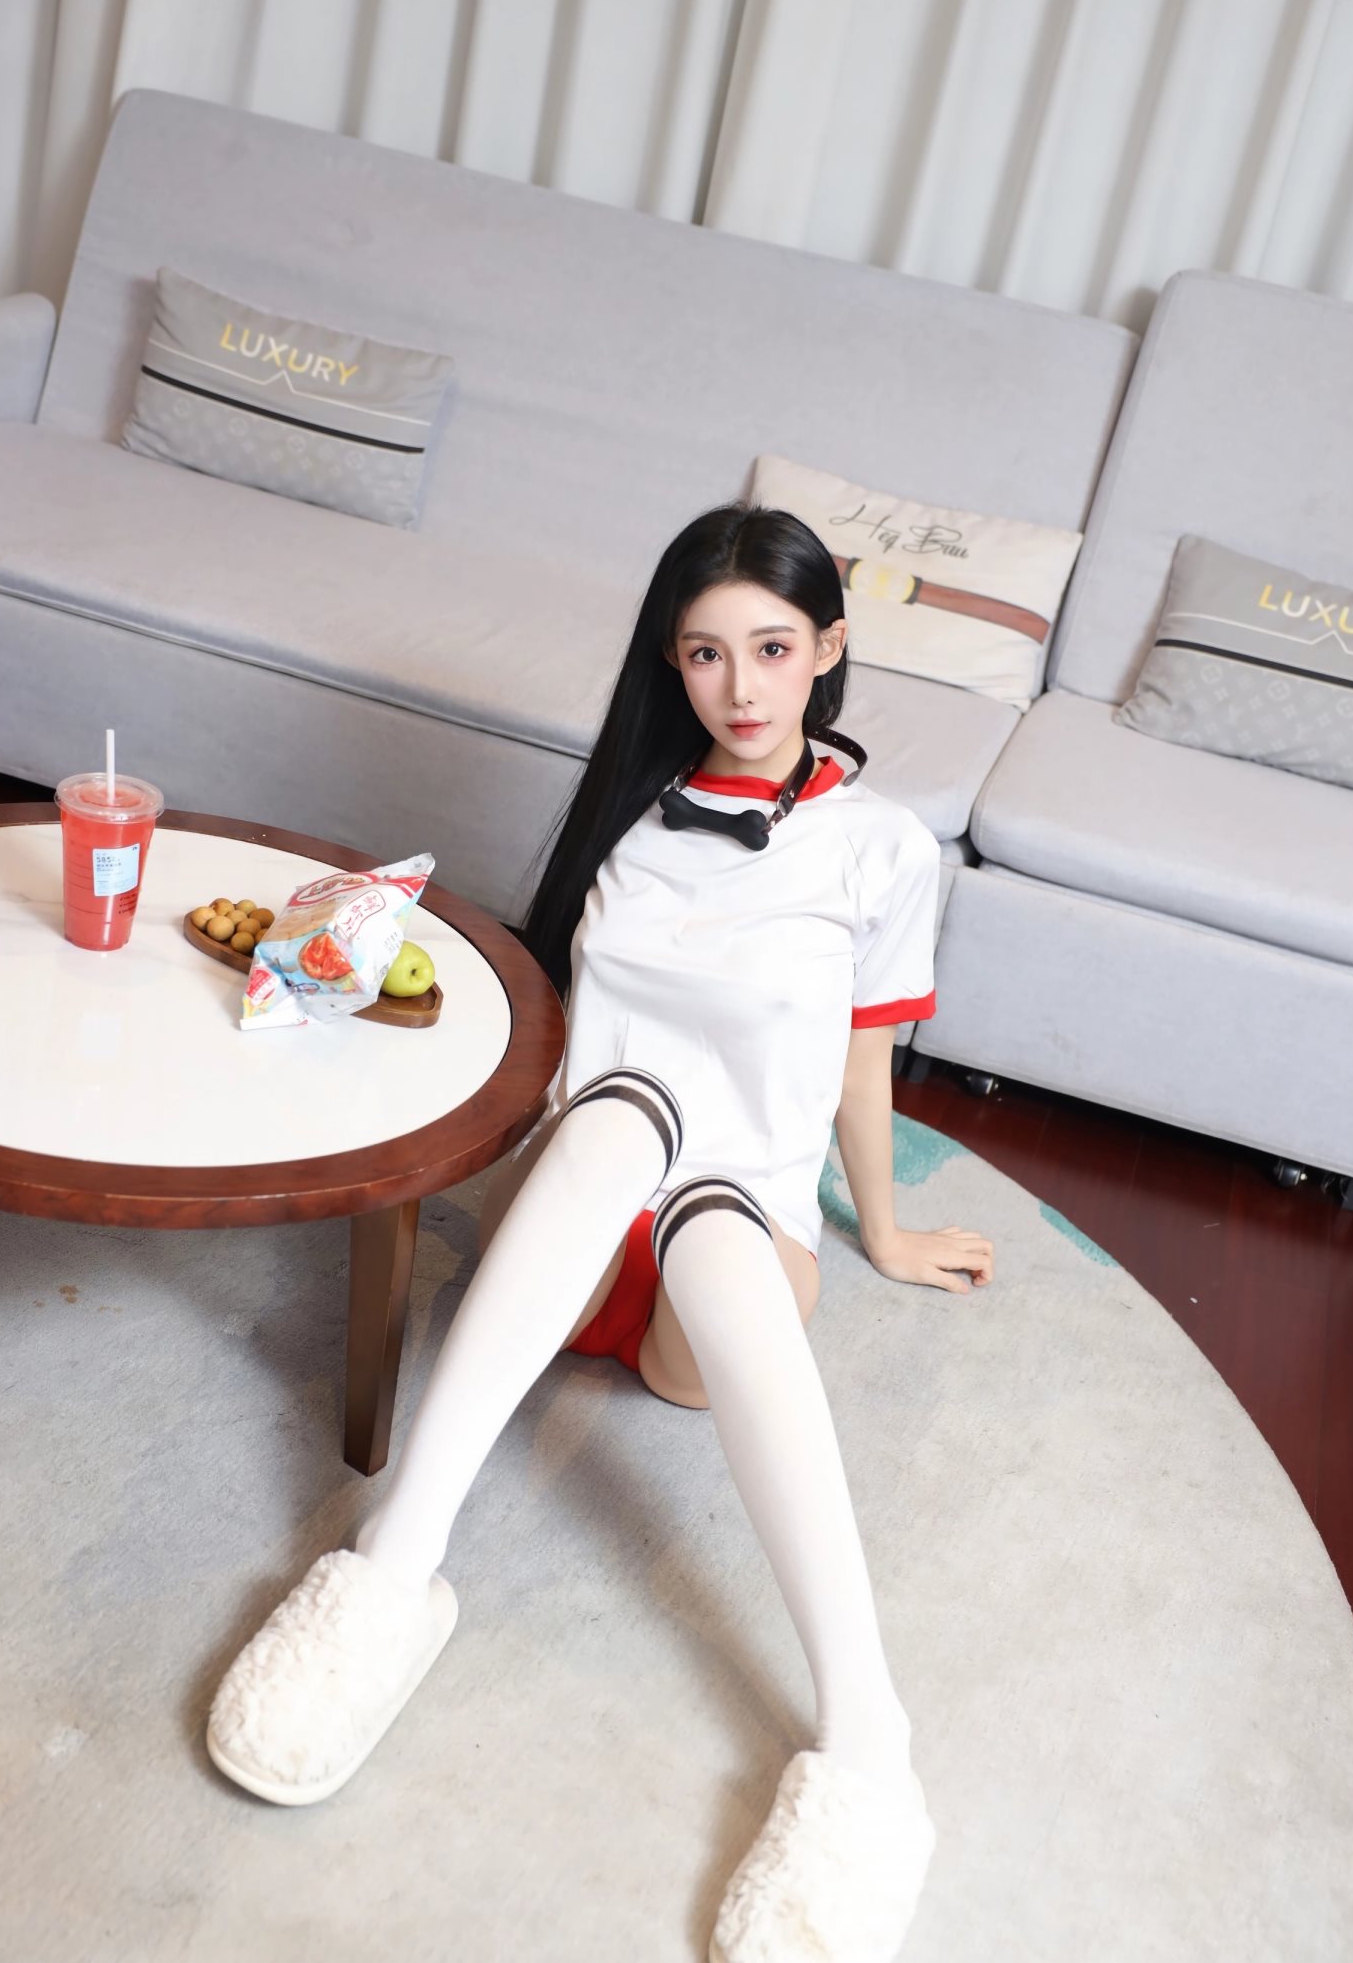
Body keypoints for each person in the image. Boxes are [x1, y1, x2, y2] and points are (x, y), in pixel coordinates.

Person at [205, 502, 995, 1961]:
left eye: (773, 648)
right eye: (705, 653)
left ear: (830, 648)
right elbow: (548, 1025)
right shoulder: (631, 808)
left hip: (724, 1270)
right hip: (569, 1233)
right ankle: (391, 1570)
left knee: (709, 1208)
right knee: (623, 1115)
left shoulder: (884, 850)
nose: (741, 687)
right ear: (671, 663)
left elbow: (862, 1063)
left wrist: (881, 1229)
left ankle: (868, 1740)